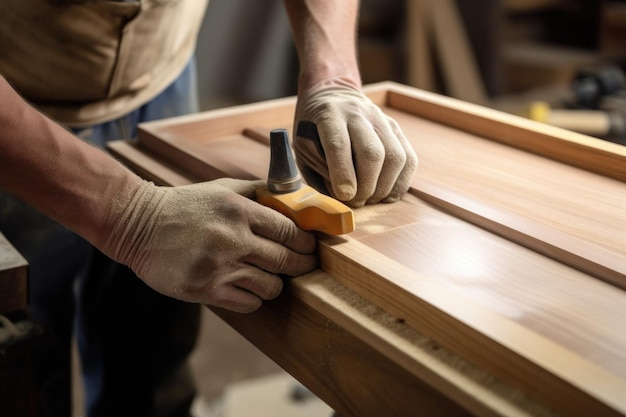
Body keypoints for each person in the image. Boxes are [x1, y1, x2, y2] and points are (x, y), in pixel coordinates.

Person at [0, 1, 418, 416]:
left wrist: (333, 77)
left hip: (159, 72)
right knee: (26, 363)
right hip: (19, 101)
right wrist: (133, 220)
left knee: (153, 350)